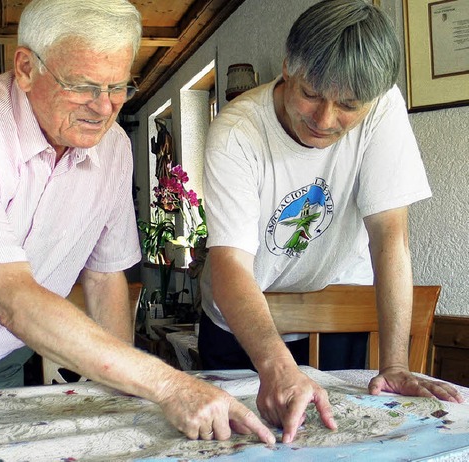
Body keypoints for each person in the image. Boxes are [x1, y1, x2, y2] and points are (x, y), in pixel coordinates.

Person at [0, 0, 276, 444]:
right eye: (82, 85)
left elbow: (105, 277)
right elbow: (13, 297)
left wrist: (123, 392)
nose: (103, 108)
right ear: (25, 67)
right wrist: (167, 383)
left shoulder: (115, 149)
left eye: (118, 86)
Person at [198, 0, 463, 445]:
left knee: (339, 443)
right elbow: (230, 264)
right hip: (242, 324)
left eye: (347, 106)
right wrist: (278, 366)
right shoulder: (237, 131)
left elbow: (389, 238)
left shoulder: (382, 108)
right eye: (311, 94)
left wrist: (396, 366)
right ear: (287, 67)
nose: (324, 120)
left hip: (336, 312)